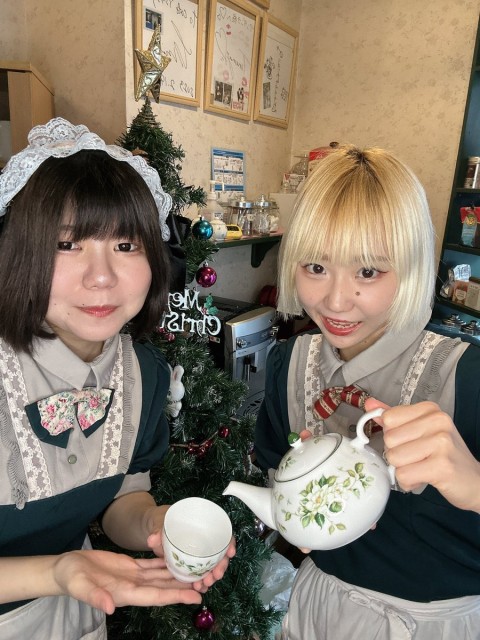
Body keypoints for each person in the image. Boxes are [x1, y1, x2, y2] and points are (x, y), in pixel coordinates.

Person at [0, 118, 234, 640]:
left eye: (126, 246)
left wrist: (153, 524)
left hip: (75, 610)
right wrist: (55, 572)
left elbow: (121, 497)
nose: (101, 276)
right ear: (19, 252)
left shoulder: (143, 374)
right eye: (67, 244)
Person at [254, 144, 480, 639]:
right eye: (316, 267)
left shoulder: (467, 376)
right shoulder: (289, 363)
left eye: (368, 272)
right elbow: (274, 476)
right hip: (317, 606)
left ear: (412, 265)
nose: (336, 301)